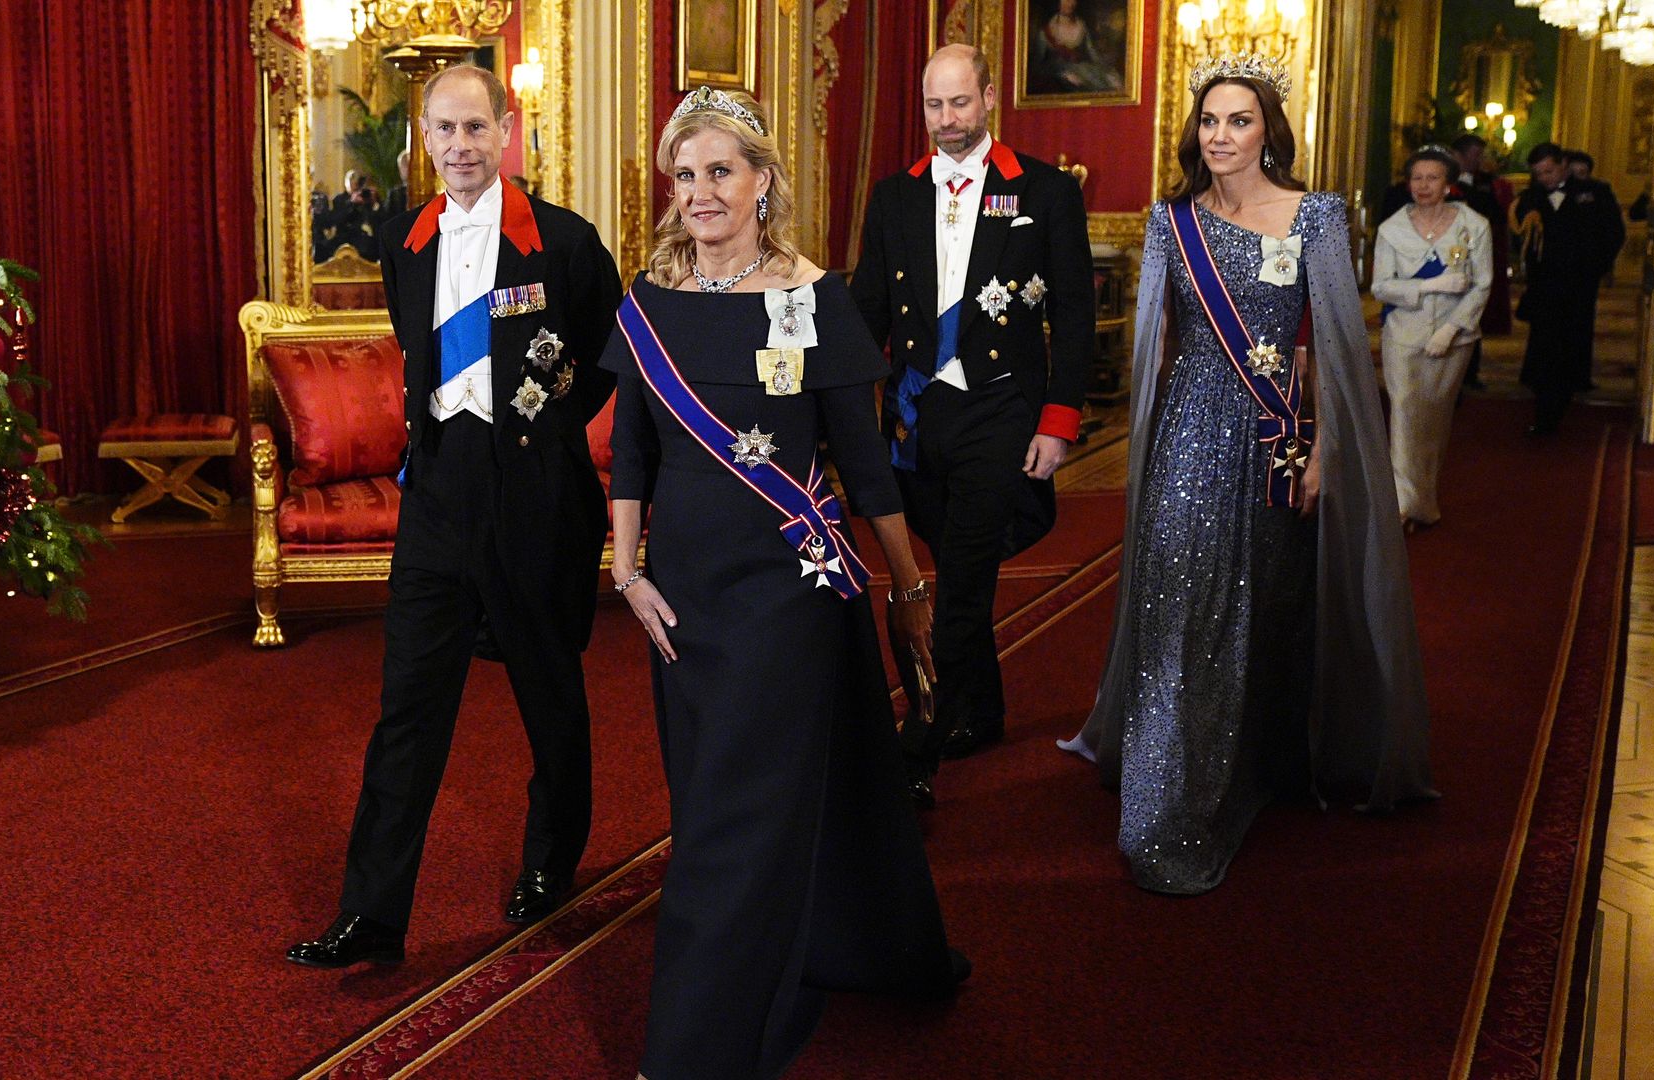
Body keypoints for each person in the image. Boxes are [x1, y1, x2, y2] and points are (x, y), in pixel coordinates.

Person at [607, 86, 968, 1080]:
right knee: (718, 802)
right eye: (685, 175)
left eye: (720, 170)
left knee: (729, 825)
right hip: (684, 600)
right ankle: (854, 938)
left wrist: (907, 585)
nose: (701, 192)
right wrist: (626, 573)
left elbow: (864, 457)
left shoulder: (812, 297)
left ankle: (692, 1052)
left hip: (789, 597)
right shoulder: (650, 301)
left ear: (763, 179)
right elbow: (631, 452)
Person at [1059, 56, 1437, 895]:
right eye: (1209, 121)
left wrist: (1327, 450)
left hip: (1278, 441)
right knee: (1181, 608)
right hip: (1190, 438)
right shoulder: (1170, 221)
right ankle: (1168, 802)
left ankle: (1259, 760)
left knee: (1268, 602)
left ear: (1269, 130)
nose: (1220, 136)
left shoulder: (1316, 216)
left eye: (1239, 120)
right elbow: (1153, 348)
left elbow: (1337, 348)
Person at [287, 64, 622, 969]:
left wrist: (539, 420)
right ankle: (373, 915)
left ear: (505, 131)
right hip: (437, 492)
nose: (462, 147)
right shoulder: (405, 240)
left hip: (534, 493)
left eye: (478, 128)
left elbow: (603, 353)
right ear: (424, 139)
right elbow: (416, 354)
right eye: (446, 130)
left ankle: (552, 865)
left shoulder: (565, 240)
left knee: (548, 692)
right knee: (407, 709)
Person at [850, 44, 1094, 805]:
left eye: (959, 103)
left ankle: (920, 741)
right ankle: (980, 711)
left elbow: (1075, 316)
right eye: (933, 105)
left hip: (1000, 407)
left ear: (989, 97)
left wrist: (1058, 422)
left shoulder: (1045, 192)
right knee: (957, 561)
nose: (946, 120)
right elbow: (866, 313)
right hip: (920, 412)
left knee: (961, 579)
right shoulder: (894, 197)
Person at [1371, 148, 1492, 531]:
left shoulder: (1473, 226)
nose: (1423, 186)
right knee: (1405, 413)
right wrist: (1429, 285)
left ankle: (1424, 501)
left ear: (1448, 183)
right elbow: (1381, 287)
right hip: (1404, 335)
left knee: (1435, 419)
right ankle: (1403, 505)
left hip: (1454, 340)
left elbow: (1483, 285)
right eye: (1417, 178)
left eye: (1432, 178)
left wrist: (1452, 328)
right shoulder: (1392, 229)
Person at [1513, 142, 1625, 434]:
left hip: (1578, 288)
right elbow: (1517, 237)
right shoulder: (1530, 197)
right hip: (1544, 288)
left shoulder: (1595, 193)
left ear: (1564, 164)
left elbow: (1613, 234)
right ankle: (1545, 410)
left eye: (1549, 171)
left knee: (1571, 345)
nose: (1545, 178)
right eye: (1539, 173)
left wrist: (1592, 270)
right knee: (1545, 349)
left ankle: (1560, 401)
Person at [1451, 134, 1512, 387]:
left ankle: (1470, 372)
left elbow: (1496, 216)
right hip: (1448, 256)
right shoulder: (1442, 180)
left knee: (1472, 315)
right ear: (1460, 155)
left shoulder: (1488, 184)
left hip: (1477, 256)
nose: (1480, 161)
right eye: (1476, 155)